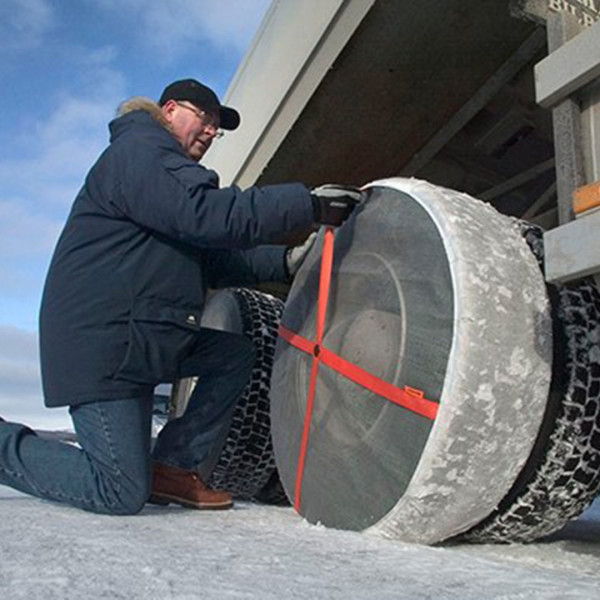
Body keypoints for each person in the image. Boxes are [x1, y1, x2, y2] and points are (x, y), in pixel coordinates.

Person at [0, 78, 360, 515]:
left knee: (232, 355)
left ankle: (171, 466)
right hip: (105, 344)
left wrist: (285, 262)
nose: (210, 132)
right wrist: (306, 204)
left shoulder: (158, 175)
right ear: (169, 110)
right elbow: (205, 215)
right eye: (204, 119)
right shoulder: (141, 153)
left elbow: (212, 261)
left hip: (144, 333)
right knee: (118, 489)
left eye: (216, 128)